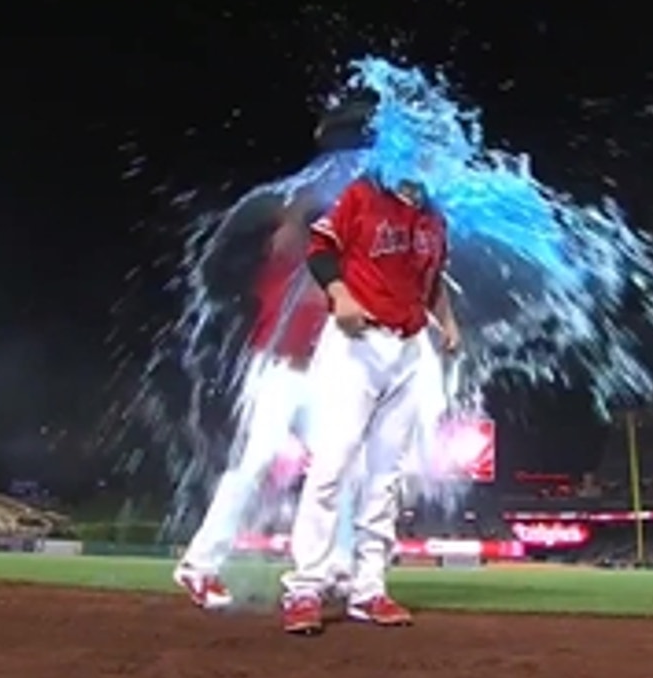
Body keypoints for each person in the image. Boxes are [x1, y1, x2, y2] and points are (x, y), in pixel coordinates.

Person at [172, 99, 374, 610]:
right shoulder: (293, 231)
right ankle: (199, 566)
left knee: (338, 468)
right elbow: (295, 220)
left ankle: (337, 568)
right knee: (255, 462)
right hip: (278, 371)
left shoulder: (333, 244)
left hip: (323, 373)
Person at [279, 172, 459, 635]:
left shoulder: (435, 218)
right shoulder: (364, 193)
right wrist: (339, 294)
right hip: (355, 341)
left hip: (410, 347)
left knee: (386, 476)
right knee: (331, 466)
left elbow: (433, 281)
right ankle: (304, 588)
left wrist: (449, 323)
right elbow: (320, 249)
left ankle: (368, 589)